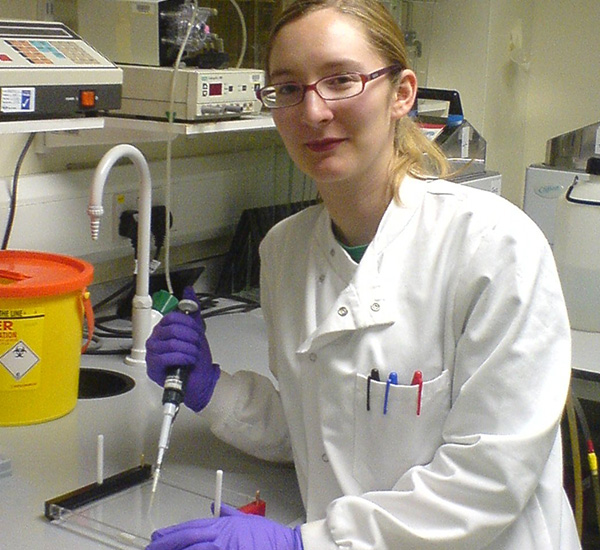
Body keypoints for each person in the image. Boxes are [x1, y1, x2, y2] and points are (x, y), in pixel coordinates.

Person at [144, 0, 581, 548]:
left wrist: (307, 544)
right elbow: (328, 431)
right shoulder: (285, 251)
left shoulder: (495, 245)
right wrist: (213, 391)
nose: (314, 111)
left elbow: (490, 479)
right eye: (288, 89)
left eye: (341, 80)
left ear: (402, 94)